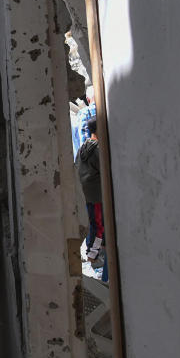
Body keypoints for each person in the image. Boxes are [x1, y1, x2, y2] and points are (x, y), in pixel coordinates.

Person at [77, 116, 107, 281]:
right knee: (98, 227)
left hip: (86, 193)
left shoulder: (83, 147)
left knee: (94, 225)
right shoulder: (97, 150)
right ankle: (93, 258)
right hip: (96, 194)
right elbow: (105, 169)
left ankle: (92, 255)